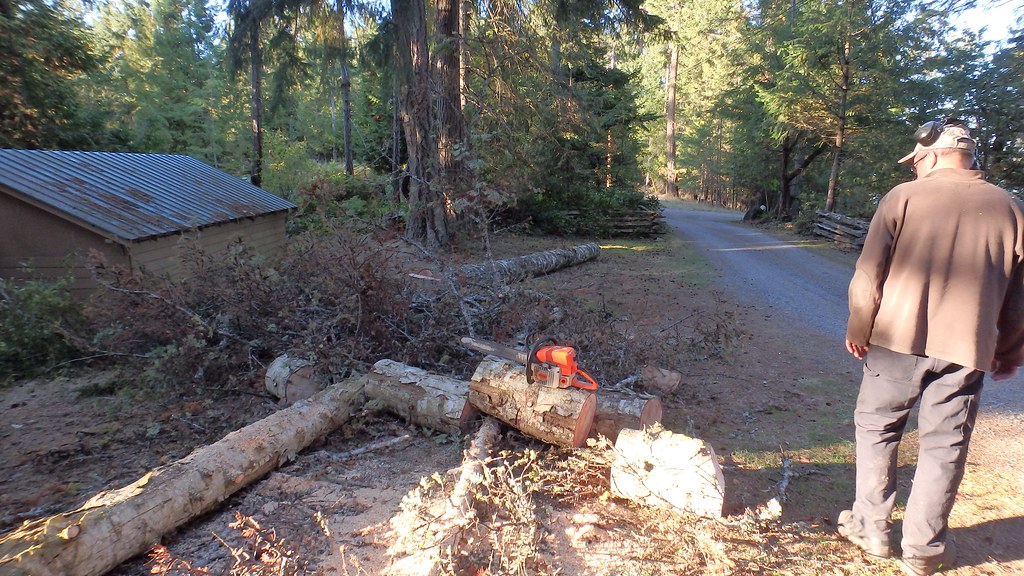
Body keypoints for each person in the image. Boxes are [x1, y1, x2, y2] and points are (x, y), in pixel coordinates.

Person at [838, 120, 1024, 576]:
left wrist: (860, 326)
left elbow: (869, 273)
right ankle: (924, 550)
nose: (916, 167)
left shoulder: (903, 198)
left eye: (918, 159)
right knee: (945, 445)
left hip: (895, 342)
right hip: (966, 349)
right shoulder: (1010, 208)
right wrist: (1010, 351)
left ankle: (872, 528)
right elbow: (1019, 294)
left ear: (934, 155)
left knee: (878, 428)